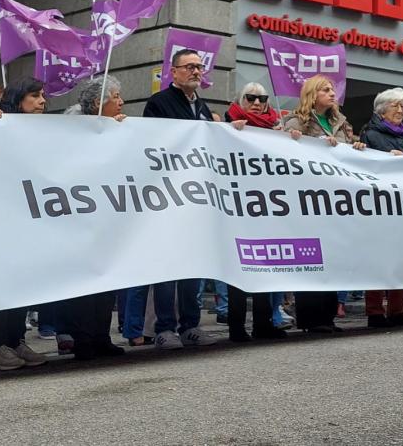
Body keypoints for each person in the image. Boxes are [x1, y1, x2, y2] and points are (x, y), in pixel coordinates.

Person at [129, 48, 218, 350]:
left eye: (199, 66)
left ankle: (190, 325)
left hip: (196, 200)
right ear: (174, 71)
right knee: (168, 265)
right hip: (168, 198)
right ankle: (165, 327)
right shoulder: (159, 103)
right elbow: (154, 146)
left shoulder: (202, 107)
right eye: (189, 66)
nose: (196, 71)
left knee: (193, 265)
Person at [0, 77, 52, 369]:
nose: (42, 101)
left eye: (43, 95)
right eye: (35, 96)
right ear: (19, 99)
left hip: (28, 217)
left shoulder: (44, 131)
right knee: (3, 283)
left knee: (23, 283)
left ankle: (16, 340)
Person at [52, 75, 128, 360]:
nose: (122, 102)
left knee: (107, 279)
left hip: (108, 215)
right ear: (99, 102)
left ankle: (101, 336)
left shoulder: (120, 128)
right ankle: (83, 338)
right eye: (116, 96)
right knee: (85, 281)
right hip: (79, 213)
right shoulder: (70, 133)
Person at [282, 76, 364, 333]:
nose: (332, 93)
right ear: (312, 94)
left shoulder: (341, 123)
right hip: (308, 198)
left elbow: (350, 151)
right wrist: (292, 139)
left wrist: (356, 146)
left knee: (332, 256)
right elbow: (280, 152)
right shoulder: (297, 121)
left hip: (336, 199)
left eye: (332, 89)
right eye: (325, 90)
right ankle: (309, 318)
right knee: (312, 257)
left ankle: (327, 316)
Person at [222, 83, 286, 341]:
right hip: (237, 205)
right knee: (238, 268)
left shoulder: (274, 127)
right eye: (251, 98)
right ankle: (236, 327)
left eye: (262, 98)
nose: (257, 103)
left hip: (267, 204)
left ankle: (263, 323)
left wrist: (285, 138)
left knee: (265, 265)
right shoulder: (227, 124)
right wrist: (229, 132)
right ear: (241, 99)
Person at [357, 88, 403, 328]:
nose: (401, 110)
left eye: (402, 106)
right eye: (396, 106)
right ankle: (374, 311)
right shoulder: (370, 133)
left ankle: (397, 310)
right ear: (382, 109)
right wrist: (386, 156)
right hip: (379, 202)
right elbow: (363, 165)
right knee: (376, 258)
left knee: (401, 257)